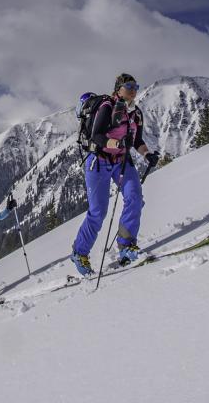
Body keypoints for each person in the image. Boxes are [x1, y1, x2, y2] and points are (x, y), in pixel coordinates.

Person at [69, 73, 160, 276]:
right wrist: (117, 143)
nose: (133, 89)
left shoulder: (136, 114)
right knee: (98, 212)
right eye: (129, 86)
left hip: (121, 162)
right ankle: (79, 252)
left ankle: (127, 246)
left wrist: (147, 155)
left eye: (136, 86)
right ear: (119, 88)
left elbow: (136, 141)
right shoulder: (107, 107)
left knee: (134, 198)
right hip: (98, 162)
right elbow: (97, 136)